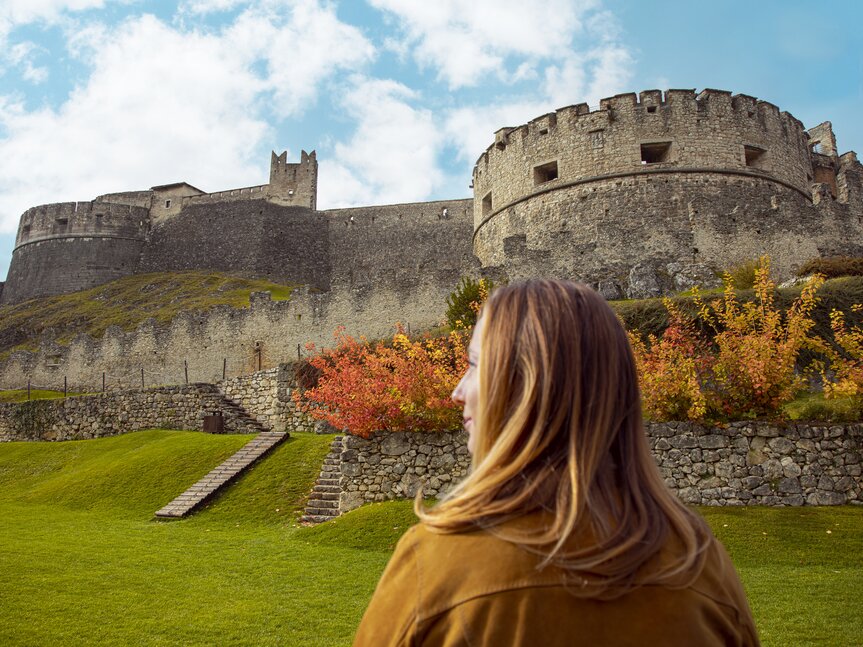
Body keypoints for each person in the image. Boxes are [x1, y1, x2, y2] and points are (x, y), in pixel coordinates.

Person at [354, 279, 759, 646]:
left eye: (476, 364)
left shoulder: (438, 564)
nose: (458, 391)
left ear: (525, 384)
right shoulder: (702, 566)